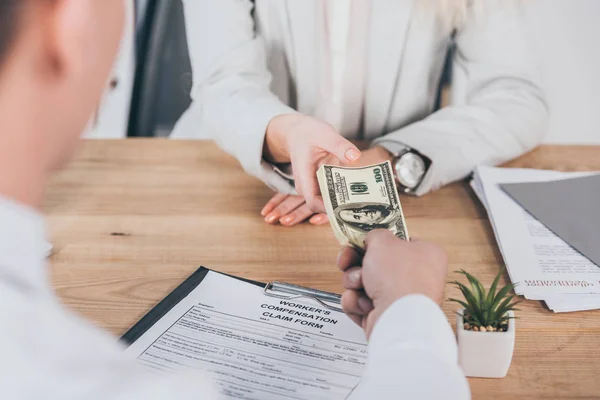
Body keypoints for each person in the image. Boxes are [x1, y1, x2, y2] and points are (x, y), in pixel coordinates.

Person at [0, 0, 469, 398]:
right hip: (221, 185)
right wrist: (411, 314)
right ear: (71, 23)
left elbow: (514, 92)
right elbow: (223, 79)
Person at [174, 0, 548, 227]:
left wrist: (389, 161)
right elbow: (223, 82)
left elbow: (516, 97)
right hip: (227, 173)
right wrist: (286, 135)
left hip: (398, 189)